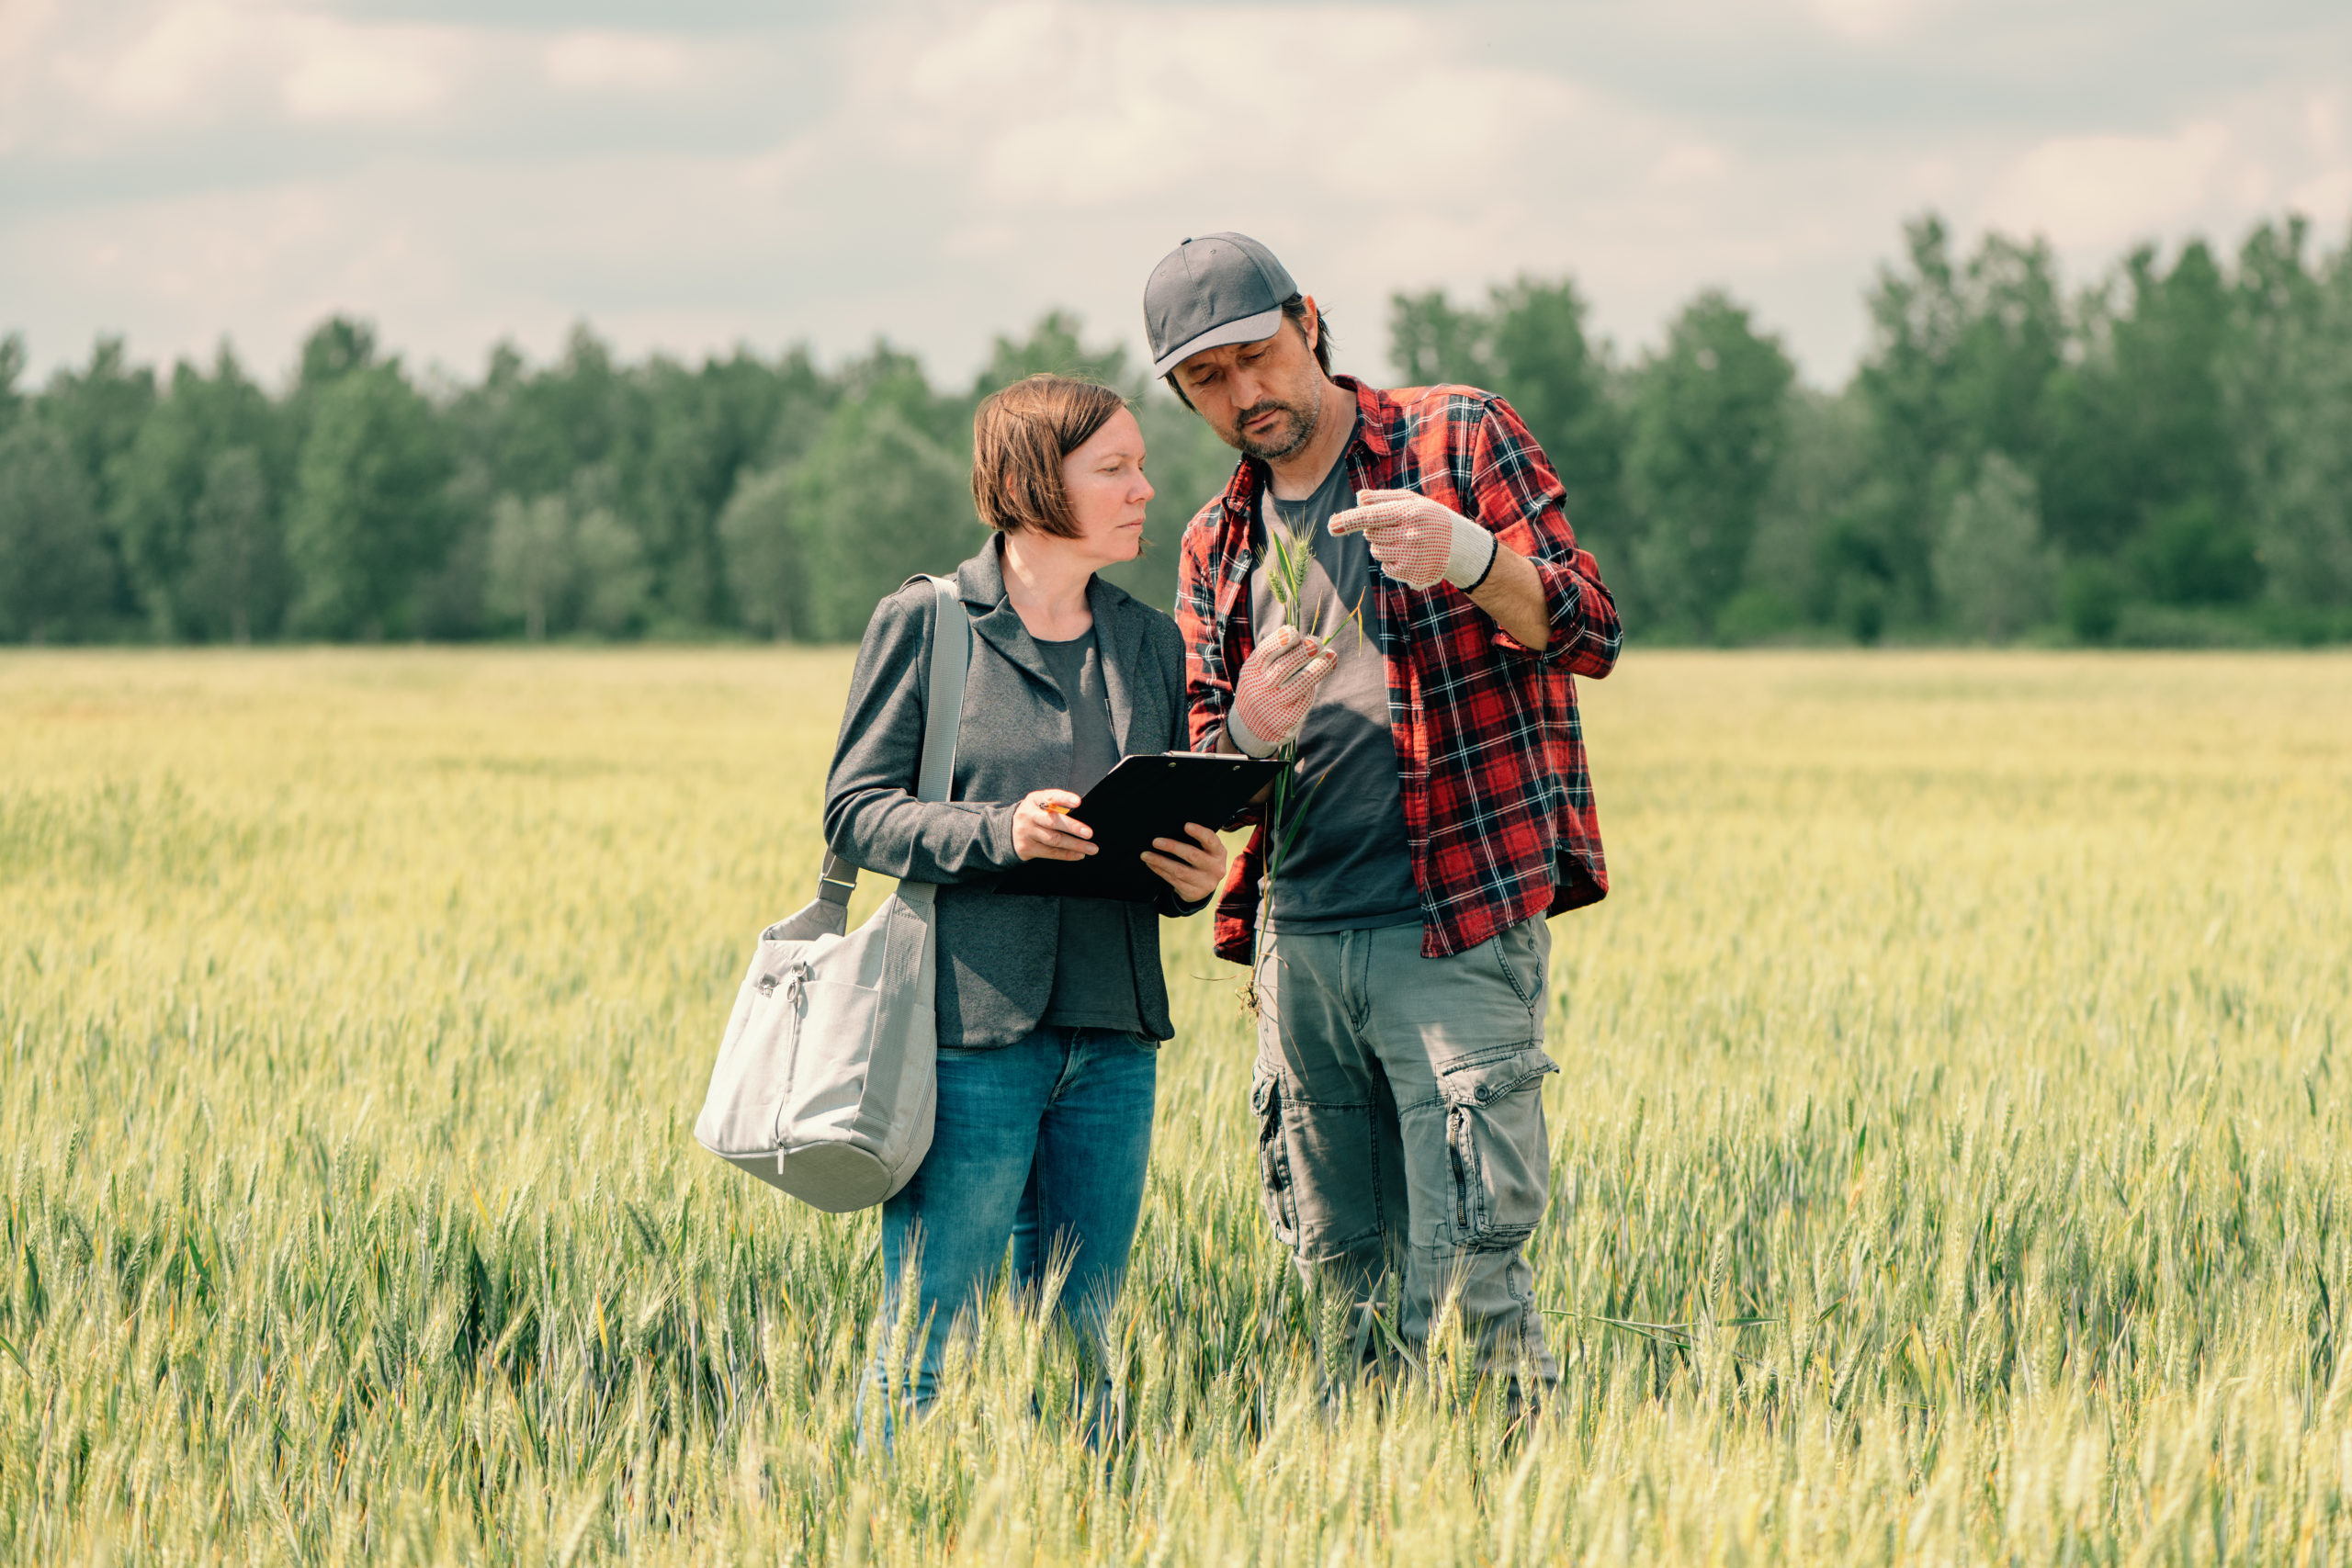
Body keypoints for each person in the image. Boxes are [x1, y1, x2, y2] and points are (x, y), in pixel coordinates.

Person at [1145, 232, 1622, 1394]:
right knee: (1341, 1293)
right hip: (1296, 939)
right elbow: (1216, 771)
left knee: (1475, 1280)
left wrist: (1468, 558)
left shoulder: (1455, 436)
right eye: (1207, 380)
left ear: (1308, 321)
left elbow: (1590, 628)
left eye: (1258, 357)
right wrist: (1246, 729)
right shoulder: (1216, 541)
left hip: (1450, 925)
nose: (1243, 395)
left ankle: (1515, 1512)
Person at [822, 374, 1228, 1426]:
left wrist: (1195, 880)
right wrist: (999, 832)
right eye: (1116, 469)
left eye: (1140, 464)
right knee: (924, 1338)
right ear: (1032, 482)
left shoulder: (1150, 641)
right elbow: (856, 812)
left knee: (1084, 1345)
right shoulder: (927, 622)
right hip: (969, 1039)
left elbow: (1146, 821)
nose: (1147, 488)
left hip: (1113, 1033)